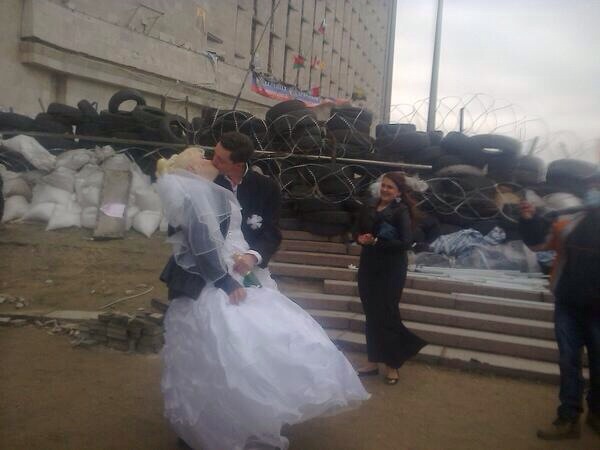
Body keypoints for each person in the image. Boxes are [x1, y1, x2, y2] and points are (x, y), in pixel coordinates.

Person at [156, 150, 370, 450]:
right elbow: (202, 248)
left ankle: (241, 417)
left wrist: (245, 259)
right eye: (204, 159)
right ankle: (212, 425)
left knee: (248, 346)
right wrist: (225, 281)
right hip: (212, 284)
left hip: (235, 271)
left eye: (216, 157)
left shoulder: (213, 190)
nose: (211, 161)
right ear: (192, 169)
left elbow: (232, 237)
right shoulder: (195, 196)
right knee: (220, 351)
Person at [520, 172, 600, 440]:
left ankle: (597, 414)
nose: (593, 191)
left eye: (598, 187)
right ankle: (568, 417)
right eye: (592, 186)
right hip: (568, 305)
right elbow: (538, 244)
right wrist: (529, 220)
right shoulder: (570, 221)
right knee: (568, 362)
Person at [353, 172, 427, 385]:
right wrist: (360, 238)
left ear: (399, 192)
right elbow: (357, 230)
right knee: (371, 314)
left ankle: (392, 364)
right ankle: (372, 361)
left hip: (391, 269)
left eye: (390, 187)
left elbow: (405, 242)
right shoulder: (369, 206)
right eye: (384, 185)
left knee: (387, 314)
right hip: (369, 265)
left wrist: (376, 242)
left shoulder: (400, 211)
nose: (385, 190)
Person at [211, 131, 282, 290]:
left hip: (249, 266)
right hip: (214, 265)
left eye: (220, 160)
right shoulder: (208, 180)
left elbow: (272, 232)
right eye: (214, 154)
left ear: (238, 165)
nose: (213, 162)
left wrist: (252, 256)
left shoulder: (267, 188)